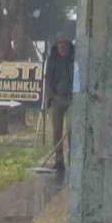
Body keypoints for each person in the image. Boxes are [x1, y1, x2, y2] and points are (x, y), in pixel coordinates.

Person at [46, 34, 76, 171]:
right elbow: (48, 81)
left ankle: (73, 160)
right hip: (57, 99)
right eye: (60, 44)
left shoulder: (74, 60)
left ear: (69, 46)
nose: (62, 47)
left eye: (65, 44)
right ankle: (59, 161)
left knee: (71, 129)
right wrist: (51, 97)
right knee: (57, 131)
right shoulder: (52, 61)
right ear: (56, 46)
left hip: (72, 101)